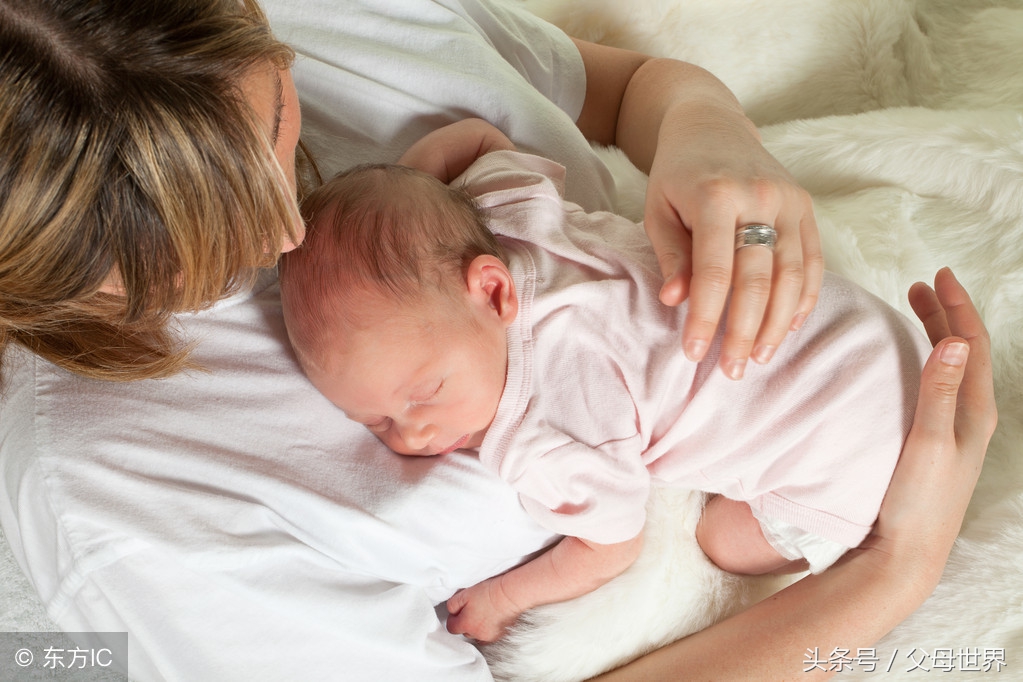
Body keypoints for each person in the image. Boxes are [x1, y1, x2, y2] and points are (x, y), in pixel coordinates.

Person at [0, 0, 995, 679]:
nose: (285, 229)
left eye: (271, 122)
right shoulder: (124, 510)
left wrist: (706, 130)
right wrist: (894, 570)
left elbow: (622, 89)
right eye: (187, 254)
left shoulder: (331, 17)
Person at [278, 121, 931, 642]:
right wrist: (404, 201)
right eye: (376, 422)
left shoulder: (542, 431)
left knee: (718, 539)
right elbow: (477, 137)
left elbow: (608, 547)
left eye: (423, 394)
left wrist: (505, 597)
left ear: (493, 289)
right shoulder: (507, 214)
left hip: (853, 457)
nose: (414, 432)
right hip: (866, 333)